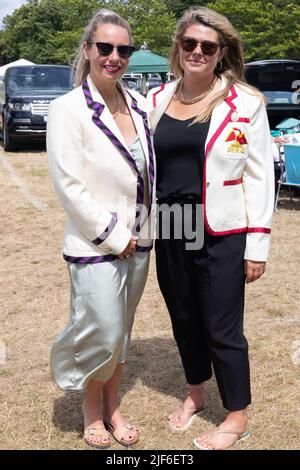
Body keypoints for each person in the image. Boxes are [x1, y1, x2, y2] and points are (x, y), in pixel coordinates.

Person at [147, 6, 274, 450]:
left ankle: (236, 417)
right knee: (183, 317)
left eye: (208, 45)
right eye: (189, 43)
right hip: (169, 226)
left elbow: (260, 177)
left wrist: (256, 245)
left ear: (221, 53)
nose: (197, 51)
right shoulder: (156, 100)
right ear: (178, 48)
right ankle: (196, 394)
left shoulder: (247, 103)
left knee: (222, 327)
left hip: (222, 231)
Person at [47, 9, 155, 449]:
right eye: (105, 48)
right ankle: (92, 412)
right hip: (97, 245)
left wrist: (143, 234)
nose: (114, 57)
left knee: (122, 331)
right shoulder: (67, 108)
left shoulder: (141, 104)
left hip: (142, 242)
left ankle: (113, 407)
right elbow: (68, 185)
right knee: (101, 330)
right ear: (88, 50)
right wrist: (115, 236)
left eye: (123, 49)